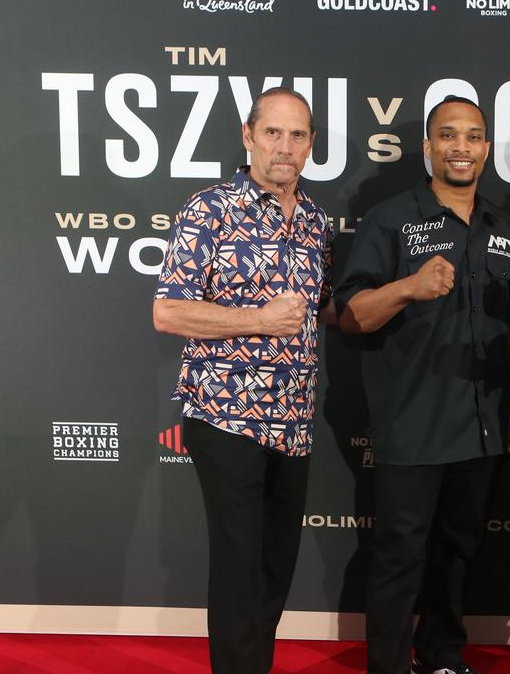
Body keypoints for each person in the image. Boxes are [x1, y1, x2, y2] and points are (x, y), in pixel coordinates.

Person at [334, 95, 510, 674]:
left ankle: (442, 654)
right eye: (448, 135)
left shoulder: (505, 227)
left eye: (472, 136)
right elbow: (351, 316)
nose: (460, 147)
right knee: (399, 557)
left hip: (484, 420)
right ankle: (389, 665)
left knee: (457, 552)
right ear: (427, 146)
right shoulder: (390, 220)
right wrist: (408, 288)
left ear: (486, 148)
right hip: (413, 422)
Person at [152, 86, 334, 674]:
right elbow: (168, 312)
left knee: (275, 566)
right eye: (273, 132)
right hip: (225, 416)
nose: (285, 146)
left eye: (298, 135)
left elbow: (323, 307)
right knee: (238, 564)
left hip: (294, 421)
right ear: (248, 136)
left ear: (310, 144)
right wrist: (258, 319)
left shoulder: (314, 219)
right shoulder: (209, 210)